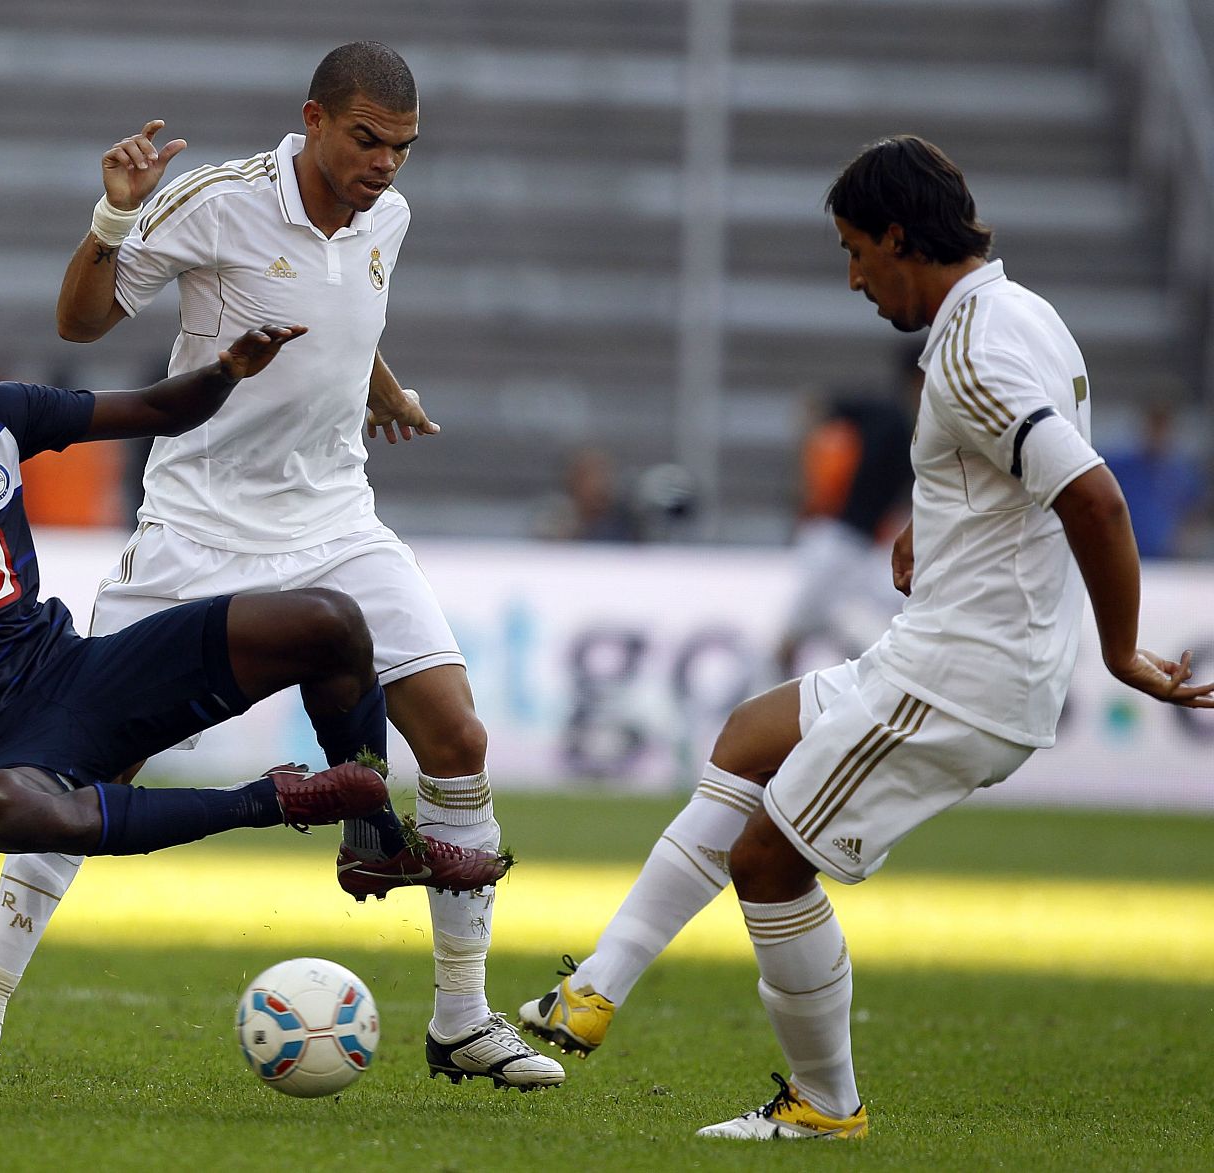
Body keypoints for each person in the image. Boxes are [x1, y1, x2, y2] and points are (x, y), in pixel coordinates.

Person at [518, 135, 1214, 1139]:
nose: (852, 278)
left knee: (768, 862)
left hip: (960, 677)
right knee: (748, 738)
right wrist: (937, 521)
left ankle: (824, 1103)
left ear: (897, 236)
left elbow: (1094, 498)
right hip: (940, 651)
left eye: (854, 251)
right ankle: (595, 987)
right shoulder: (1022, 314)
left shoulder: (971, 353)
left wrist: (1119, 650)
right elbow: (1018, 470)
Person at [0, 41, 563, 1095]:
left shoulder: (387, 219)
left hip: (337, 522)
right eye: (367, 139)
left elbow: (339, 309)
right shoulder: (219, 202)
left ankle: (462, 1019)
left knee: (456, 737)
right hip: (196, 531)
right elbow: (78, 322)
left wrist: (381, 386)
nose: (385, 164)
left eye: (403, 148)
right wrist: (115, 214)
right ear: (313, 120)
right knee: (78, 773)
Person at [0, 297, 403, 1089]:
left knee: (331, 622)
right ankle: (273, 799)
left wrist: (225, 372)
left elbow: (153, 409)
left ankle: (376, 836)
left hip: (76, 676)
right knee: (2, 811)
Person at [773, 365, 916, 676]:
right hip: (840, 538)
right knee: (802, 629)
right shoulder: (886, 414)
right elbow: (817, 405)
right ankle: (775, 690)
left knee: (863, 626)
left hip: (868, 546)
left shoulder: (925, 427)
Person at [1101, 400, 1207, 559]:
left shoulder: (1182, 473)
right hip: (1124, 554)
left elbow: (1194, 515)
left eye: (1163, 428)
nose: (1158, 434)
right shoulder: (1119, 466)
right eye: (1154, 427)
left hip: (1165, 560)